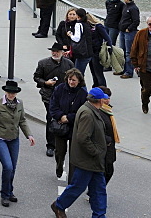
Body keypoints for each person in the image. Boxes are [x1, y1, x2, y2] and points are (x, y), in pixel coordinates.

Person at [51, 87, 109, 218]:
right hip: (87, 161)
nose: (105, 101)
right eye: (103, 99)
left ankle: (100, 215)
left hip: (94, 161)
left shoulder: (91, 110)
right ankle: (59, 205)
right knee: (77, 187)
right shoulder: (87, 114)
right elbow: (83, 138)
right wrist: (96, 152)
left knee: (99, 190)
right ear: (99, 100)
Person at [0, 79, 34, 207]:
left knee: (13, 168)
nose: (11, 95)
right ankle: (4, 195)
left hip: (14, 139)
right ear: (5, 92)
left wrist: (29, 135)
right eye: (9, 92)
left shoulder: (19, 104)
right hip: (0, 139)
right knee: (8, 166)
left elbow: (22, 120)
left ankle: (9, 191)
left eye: (13, 93)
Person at [33, 42, 75, 157]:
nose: (54, 53)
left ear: (62, 52)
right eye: (53, 51)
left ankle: (62, 140)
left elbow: (75, 78)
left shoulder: (69, 64)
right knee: (51, 118)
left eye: (57, 51)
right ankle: (51, 145)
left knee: (64, 118)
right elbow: (36, 77)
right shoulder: (43, 63)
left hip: (64, 96)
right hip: (49, 95)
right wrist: (45, 82)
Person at [48, 68, 87, 180]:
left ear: (79, 81)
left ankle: (71, 178)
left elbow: (83, 112)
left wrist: (68, 118)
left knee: (74, 155)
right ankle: (59, 166)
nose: (71, 82)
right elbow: (53, 105)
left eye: (74, 80)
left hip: (75, 127)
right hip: (60, 126)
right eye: (70, 79)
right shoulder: (60, 89)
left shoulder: (83, 93)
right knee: (60, 152)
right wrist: (60, 116)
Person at [117, 0, 140, 78]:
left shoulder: (133, 8)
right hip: (122, 31)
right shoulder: (125, 6)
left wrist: (129, 28)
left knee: (128, 52)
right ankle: (123, 69)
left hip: (129, 32)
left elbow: (136, 21)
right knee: (122, 51)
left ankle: (129, 71)